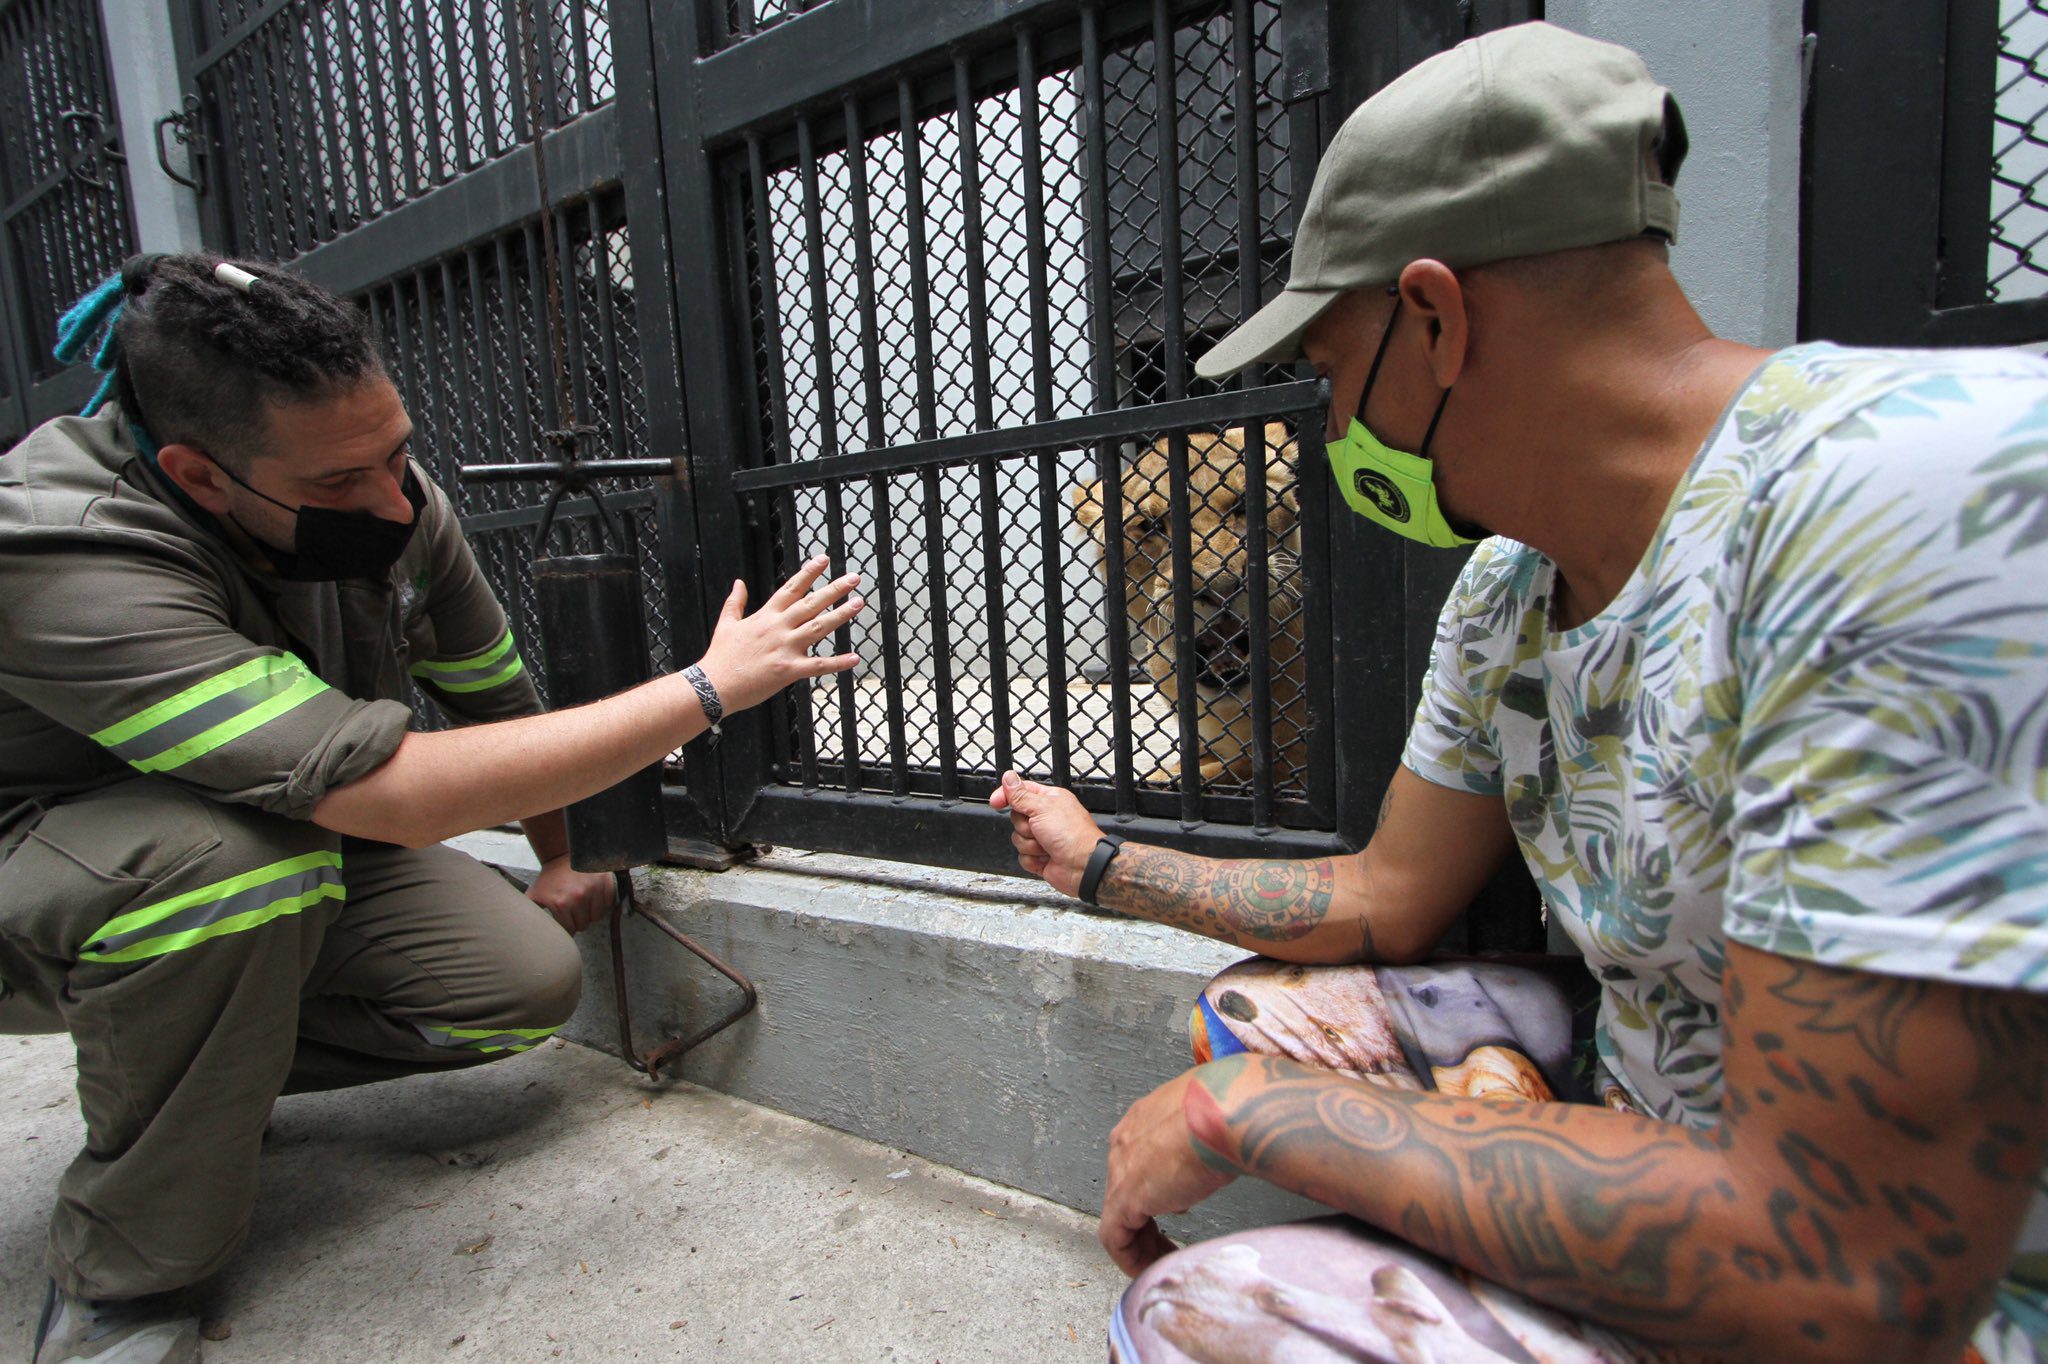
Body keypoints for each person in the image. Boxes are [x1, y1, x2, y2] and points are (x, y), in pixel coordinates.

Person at [995, 21, 2048, 1363]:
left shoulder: (1914, 497)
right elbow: (1387, 895)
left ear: (1434, 318)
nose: (1334, 431)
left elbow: (1855, 1273)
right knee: (1254, 1013)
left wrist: (1250, 1118)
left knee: (1193, 1313)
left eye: (1328, 370)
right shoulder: (1509, 591)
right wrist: (1104, 864)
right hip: (1669, 1113)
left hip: (1915, 1295)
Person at [0, 253, 865, 1364]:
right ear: (198, 474)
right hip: (51, 857)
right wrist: (705, 689)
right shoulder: (56, 542)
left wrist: (559, 863)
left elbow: (492, 693)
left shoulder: (388, 503)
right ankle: (121, 1277)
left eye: (397, 453)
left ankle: (195, 1065)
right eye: (337, 484)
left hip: (273, 833)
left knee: (515, 986)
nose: (391, 500)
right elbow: (392, 790)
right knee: (228, 869)